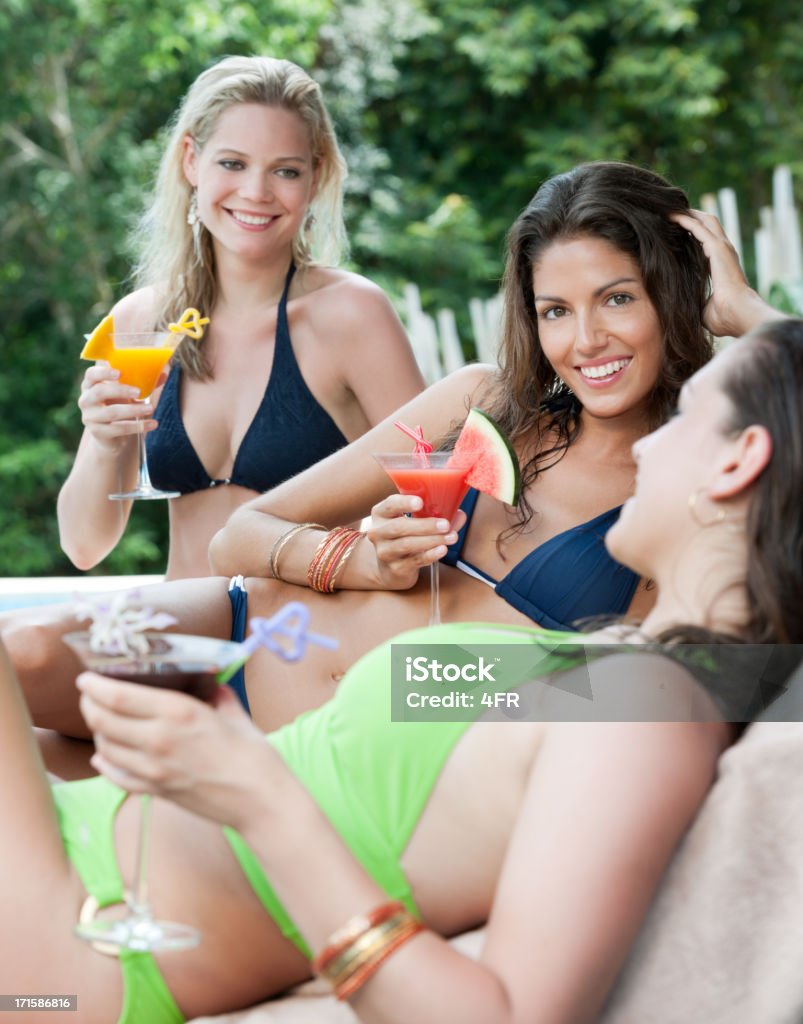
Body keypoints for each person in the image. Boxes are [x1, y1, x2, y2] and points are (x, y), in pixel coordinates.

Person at [2, 318, 801, 1023]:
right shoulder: (613, 666)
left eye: (687, 416)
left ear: (739, 462)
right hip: (84, 857)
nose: (648, 442)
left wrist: (257, 796)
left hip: (78, 930)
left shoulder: (650, 708)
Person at [56, 55, 424, 581]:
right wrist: (104, 441)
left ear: (315, 178)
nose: (256, 192)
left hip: (308, 645)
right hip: (186, 643)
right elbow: (83, 546)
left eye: (286, 170)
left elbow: (439, 490)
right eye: (232, 163)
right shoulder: (140, 319)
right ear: (191, 161)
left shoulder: (351, 316)